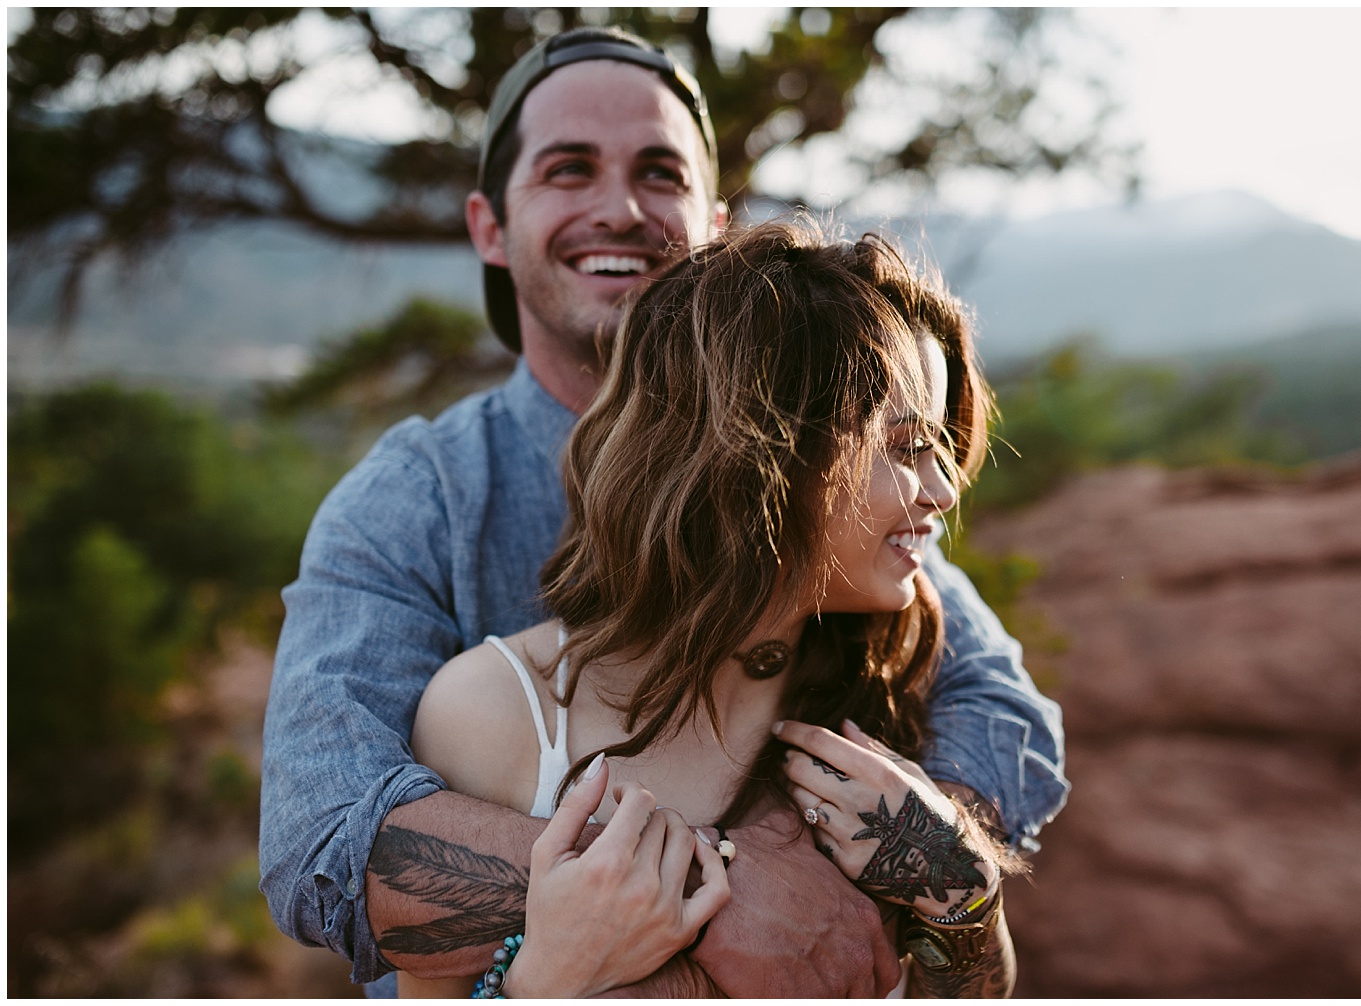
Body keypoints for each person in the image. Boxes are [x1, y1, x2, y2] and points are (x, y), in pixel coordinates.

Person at [259, 26, 1067, 997]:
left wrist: (903, 875)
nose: (621, 208)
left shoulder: (833, 518)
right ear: (487, 226)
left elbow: (999, 713)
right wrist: (726, 889)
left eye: (660, 172)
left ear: (714, 224)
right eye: (568, 170)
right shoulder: (418, 500)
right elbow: (326, 836)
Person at [401, 219, 1022, 998]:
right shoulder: (494, 716)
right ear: (768, 454)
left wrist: (964, 896)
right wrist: (548, 978)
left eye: (940, 448)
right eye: (903, 446)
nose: (945, 488)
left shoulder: (893, 686)